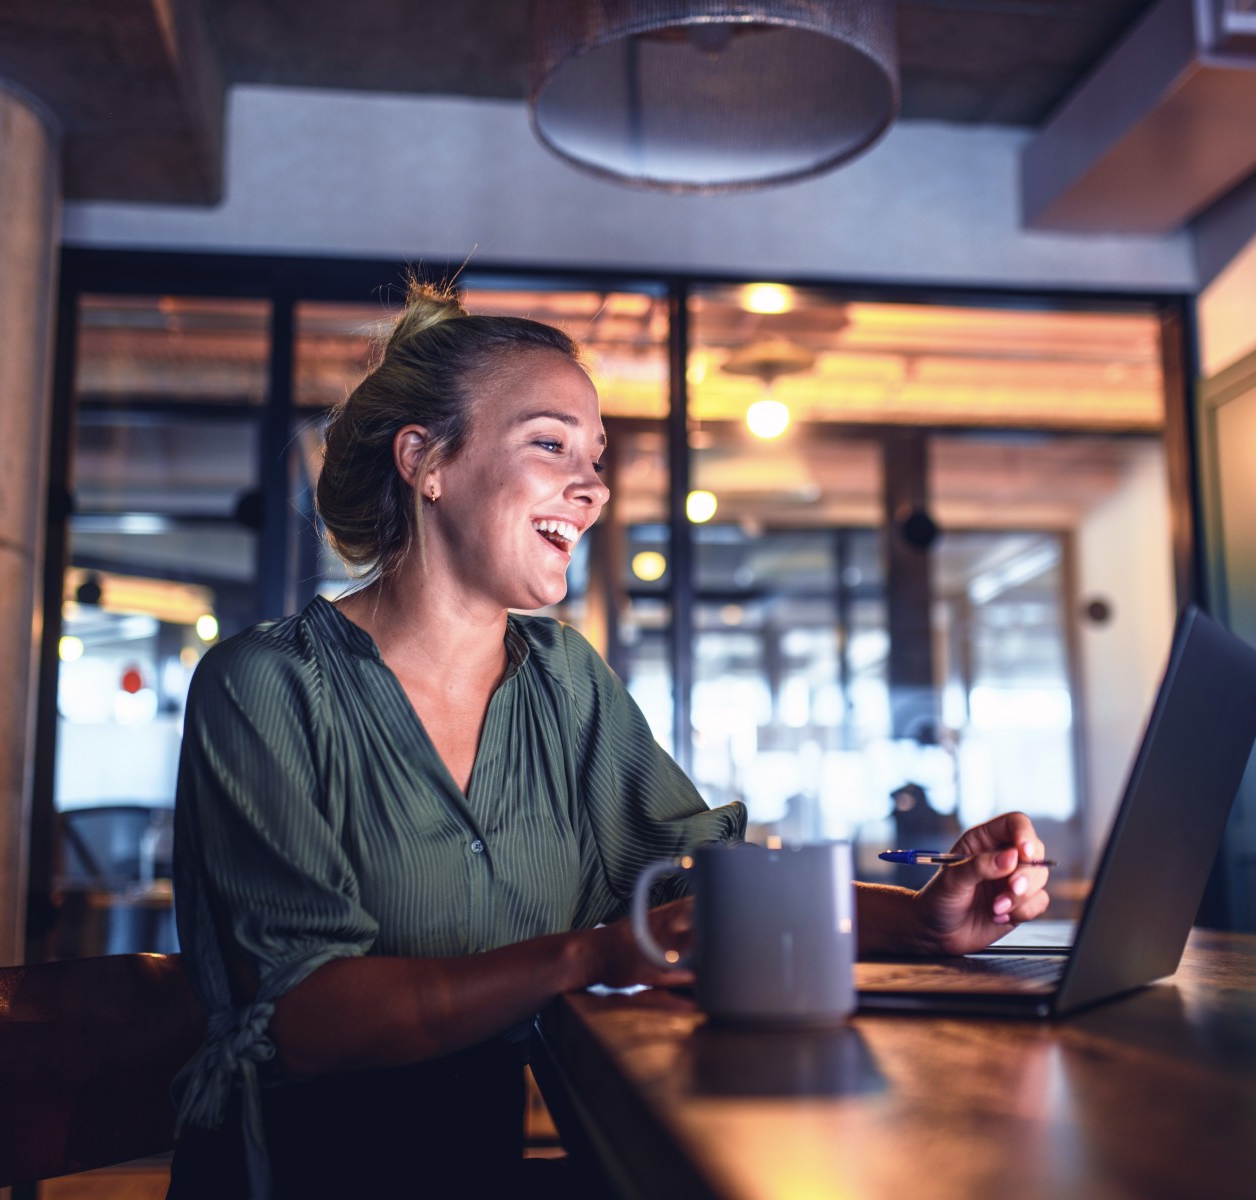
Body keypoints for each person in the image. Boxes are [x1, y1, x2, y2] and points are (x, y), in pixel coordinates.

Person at [166, 283, 1051, 1199]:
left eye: (594, 457)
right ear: (426, 462)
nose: (591, 488)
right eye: (550, 444)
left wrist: (925, 916)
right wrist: (590, 953)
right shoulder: (265, 686)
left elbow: (702, 886)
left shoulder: (565, 679)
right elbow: (311, 1019)